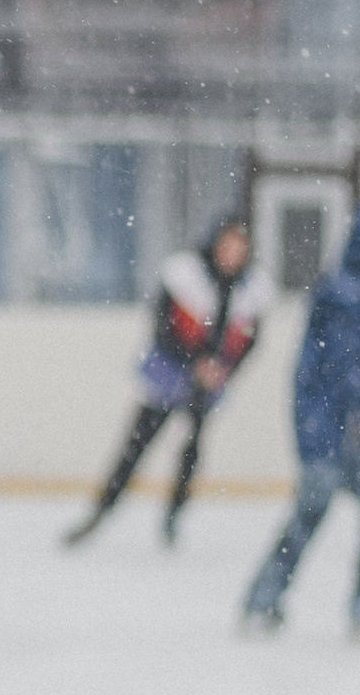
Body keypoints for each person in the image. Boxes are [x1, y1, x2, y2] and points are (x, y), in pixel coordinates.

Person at [240, 204, 360, 639]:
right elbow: (340, 364)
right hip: (335, 429)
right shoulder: (349, 295)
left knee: (319, 512)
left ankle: (263, 601)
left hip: (327, 427)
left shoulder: (346, 290)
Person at [62, 212, 273, 550]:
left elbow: (250, 339)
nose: (232, 253)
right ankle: (102, 511)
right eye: (228, 244)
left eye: (240, 247)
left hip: (209, 383)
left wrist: (223, 369)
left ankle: (174, 516)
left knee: (191, 451)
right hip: (168, 375)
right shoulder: (184, 275)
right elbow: (162, 326)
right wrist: (194, 363)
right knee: (135, 447)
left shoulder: (251, 289)